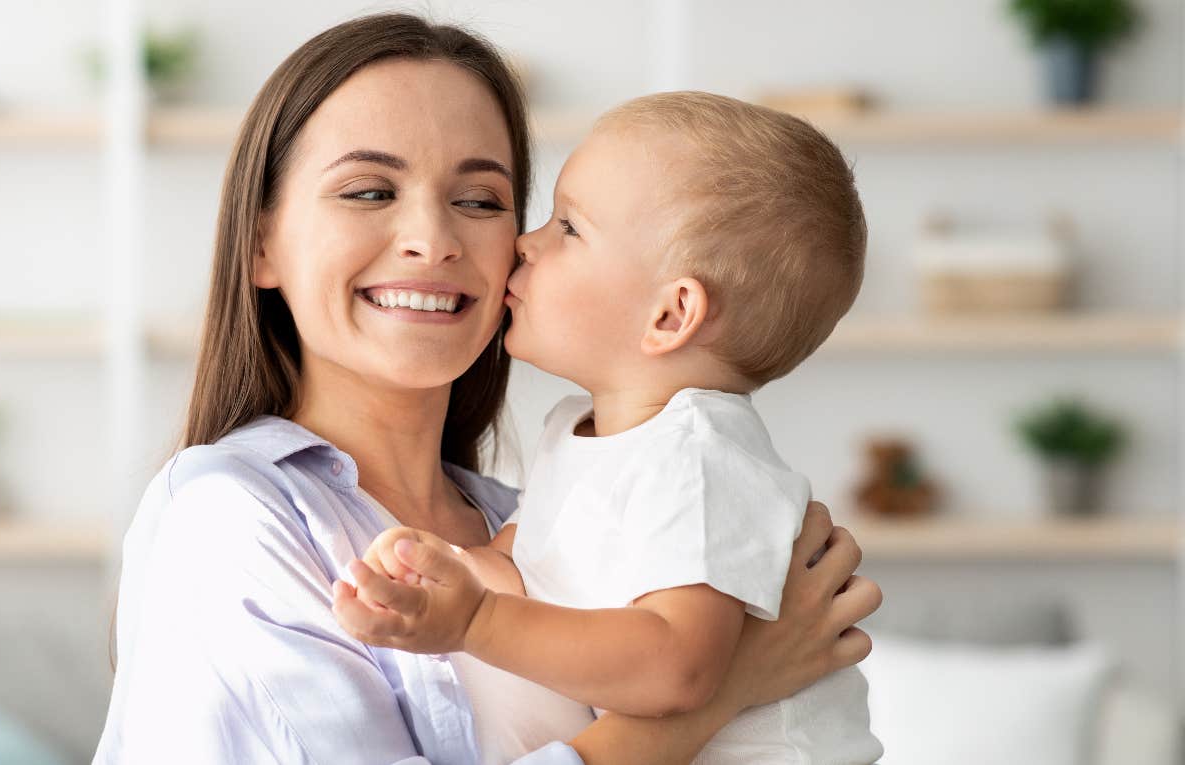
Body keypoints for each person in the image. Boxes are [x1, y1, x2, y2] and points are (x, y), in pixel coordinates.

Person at [93, 13, 881, 765]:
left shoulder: (533, 520)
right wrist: (724, 689)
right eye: (368, 190)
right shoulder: (230, 520)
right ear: (262, 243)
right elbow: (688, 678)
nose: (433, 241)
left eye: (481, 201)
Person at [334, 92, 882, 764]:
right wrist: (441, 572)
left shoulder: (700, 460)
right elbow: (532, 562)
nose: (526, 242)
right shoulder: (583, 431)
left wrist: (476, 619)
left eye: (569, 227)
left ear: (670, 315)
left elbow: (676, 666)